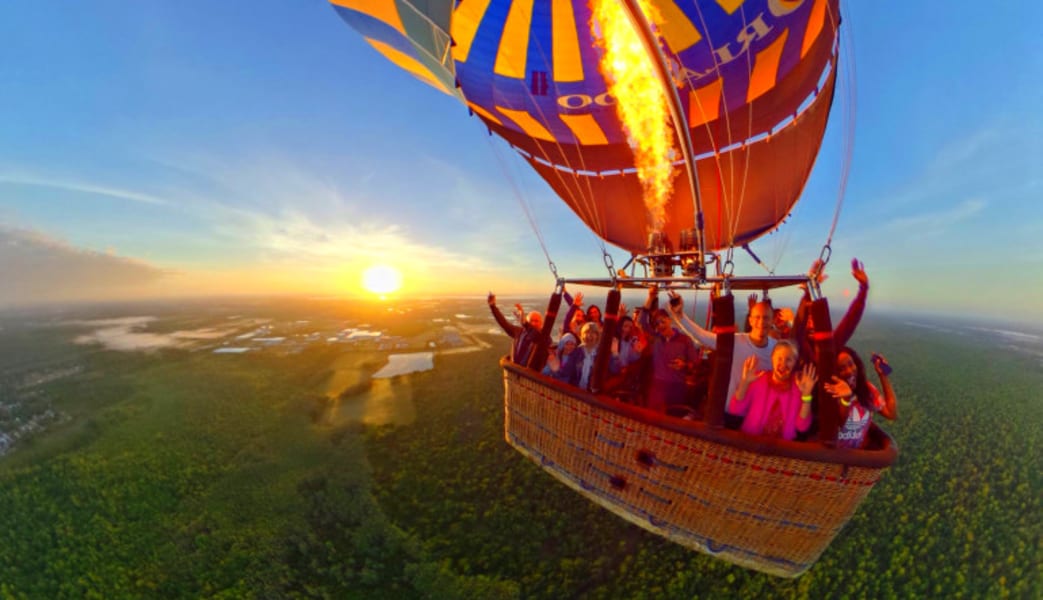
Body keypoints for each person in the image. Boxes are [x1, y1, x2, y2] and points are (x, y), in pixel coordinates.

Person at [667, 292, 776, 421]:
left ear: (772, 320)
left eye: (766, 317)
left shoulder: (777, 349)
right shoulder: (735, 341)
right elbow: (701, 336)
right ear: (750, 320)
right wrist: (680, 315)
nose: (761, 322)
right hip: (729, 412)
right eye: (757, 317)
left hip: (757, 416)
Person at [730, 340, 817, 440]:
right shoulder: (757, 378)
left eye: (789, 360)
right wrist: (744, 382)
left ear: (795, 363)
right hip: (751, 444)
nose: (783, 364)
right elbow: (735, 410)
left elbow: (802, 427)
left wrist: (806, 395)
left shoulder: (799, 386)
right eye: (779, 358)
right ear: (772, 359)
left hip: (782, 450)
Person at [823, 347, 897, 448]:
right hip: (834, 459)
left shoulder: (866, 390)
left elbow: (891, 413)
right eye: (841, 369)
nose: (849, 371)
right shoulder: (830, 394)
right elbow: (840, 425)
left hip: (857, 458)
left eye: (850, 364)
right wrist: (846, 399)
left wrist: (883, 375)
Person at [639, 300, 700, 412]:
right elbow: (642, 321)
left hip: (677, 387)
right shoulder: (656, 338)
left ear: (670, 320)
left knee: (674, 418)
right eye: (657, 323)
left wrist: (684, 365)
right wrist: (650, 297)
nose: (660, 325)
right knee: (653, 419)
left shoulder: (685, 340)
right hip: (657, 386)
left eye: (662, 321)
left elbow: (695, 363)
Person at [488, 292, 547, 367]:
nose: (534, 323)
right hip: (515, 371)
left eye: (536, 321)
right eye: (531, 320)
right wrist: (493, 307)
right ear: (527, 321)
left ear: (541, 324)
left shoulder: (544, 338)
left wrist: (525, 324)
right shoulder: (519, 332)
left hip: (531, 375)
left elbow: (537, 338)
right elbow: (504, 323)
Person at [560, 322, 618, 391]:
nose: (589, 336)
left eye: (593, 333)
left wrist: (615, 353)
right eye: (586, 332)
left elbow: (615, 370)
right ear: (582, 335)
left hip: (594, 394)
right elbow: (566, 371)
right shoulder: (577, 352)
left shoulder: (603, 353)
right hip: (577, 391)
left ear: (597, 336)